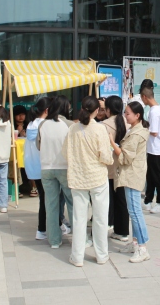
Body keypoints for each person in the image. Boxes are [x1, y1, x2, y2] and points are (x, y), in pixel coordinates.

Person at [62, 96, 114, 267]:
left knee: (78, 218)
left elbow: (65, 152)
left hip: (78, 177)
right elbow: (106, 156)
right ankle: (101, 255)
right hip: (97, 177)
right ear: (97, 110)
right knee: (100, 218)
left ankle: (77, 256)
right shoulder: (99, 129)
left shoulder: (72, 129)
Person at [108, 101, 151, 263]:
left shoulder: (136, 134)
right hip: (132, 174)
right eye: (125, 112)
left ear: (137, 115)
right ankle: (135, 243)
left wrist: (112, 143)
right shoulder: (134, 130)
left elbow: (126, 158)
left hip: (132, 175)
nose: (125, 116)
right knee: (133, 210)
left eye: (127, 113)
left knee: (135, 212)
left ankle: (142, 247)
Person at [39, 96, 73, 249]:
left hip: (46, 167)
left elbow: (39, 145)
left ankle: (54, 240)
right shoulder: (69, 125)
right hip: (64, 167)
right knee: (72, 203)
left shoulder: (42, 124)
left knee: (51, 204)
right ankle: (79, 238)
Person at [24, 98, 59, 240]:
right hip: (45, 166)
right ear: (47, 110)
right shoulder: (45, 125)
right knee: (48, 200)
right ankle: (42, 229)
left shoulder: (31, 124)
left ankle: (46, 228)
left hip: (34, 167)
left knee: (44, 198)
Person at [103, 96, 130, 242]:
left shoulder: (104, 125)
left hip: (108, 167)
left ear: (108, 109)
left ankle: (107, 225)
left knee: (108, 199)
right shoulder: (127, 123)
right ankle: (122, 231)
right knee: (121, 199)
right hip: (124, 166)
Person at [141, 86, 160, 214]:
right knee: (151, 175)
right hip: (153, 148)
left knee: (157, 176)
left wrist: (142, 130)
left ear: (145, 97)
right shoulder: (156, 109)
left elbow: (154, 131)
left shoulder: (154, 111)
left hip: (157, 148)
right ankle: (148, 200)